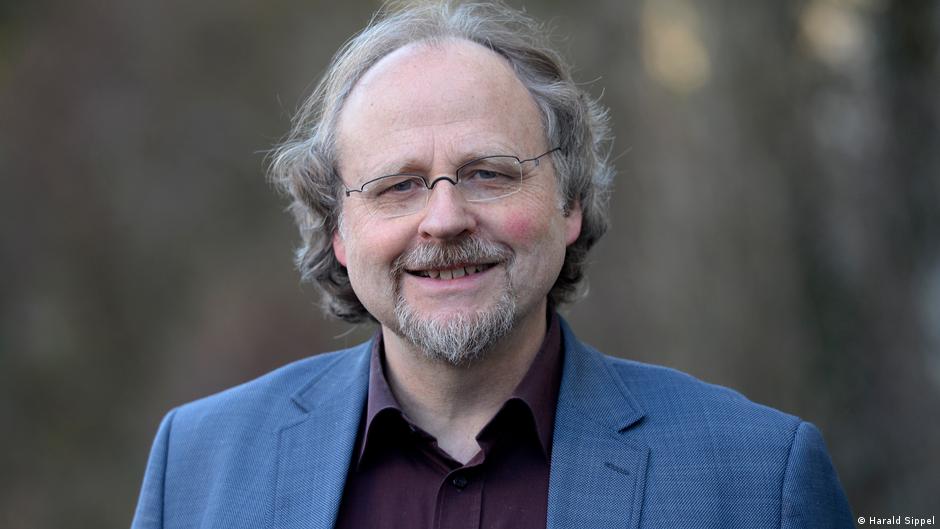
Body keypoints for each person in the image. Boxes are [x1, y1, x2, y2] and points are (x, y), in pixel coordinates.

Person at [131, 2, 854, 528]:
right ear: (339, 230)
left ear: (569, 201)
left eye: (488, 173)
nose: (444, 219)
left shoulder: (762, 480)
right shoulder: (196, 467)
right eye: (398, 185)